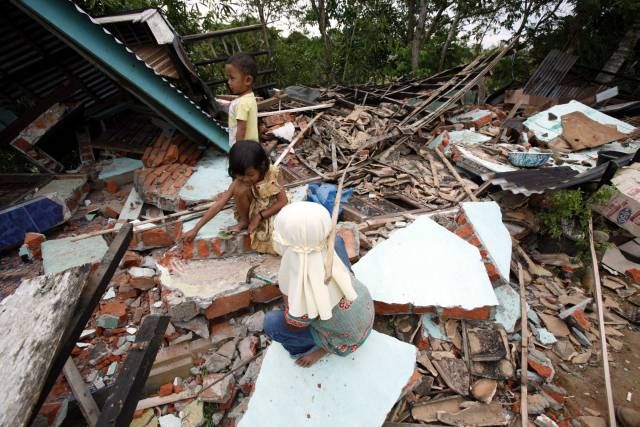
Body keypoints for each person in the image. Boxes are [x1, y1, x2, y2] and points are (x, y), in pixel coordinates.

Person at [264, 201, 375, 367]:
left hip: (346, 338)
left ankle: (319, 348)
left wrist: (286, 293)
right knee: (337, 241)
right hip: (364, 311)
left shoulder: (306, 281)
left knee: (271, 323)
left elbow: (295, 325)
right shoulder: (323, 242)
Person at [181, 140, 288, 254]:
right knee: (239, 188)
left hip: (270, 210)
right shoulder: (240, 181)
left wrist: (259, 216)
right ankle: (244, 221)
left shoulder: (273, 174)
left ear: (261, 166)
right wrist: (196, 229)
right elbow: (219, 204)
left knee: (277, 233)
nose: (246, 179)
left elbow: (283, 201)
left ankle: (255, 221)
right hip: (252, 209)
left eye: (250, 175)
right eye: (241, 176)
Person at [225, 53, 258, 147]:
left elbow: (241, 129)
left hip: (243, 151)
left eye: (232, 78)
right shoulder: (250, 98)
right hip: (251, 148)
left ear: (247, 80)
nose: (228, 82)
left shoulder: (242, 103)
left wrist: (238, 151)